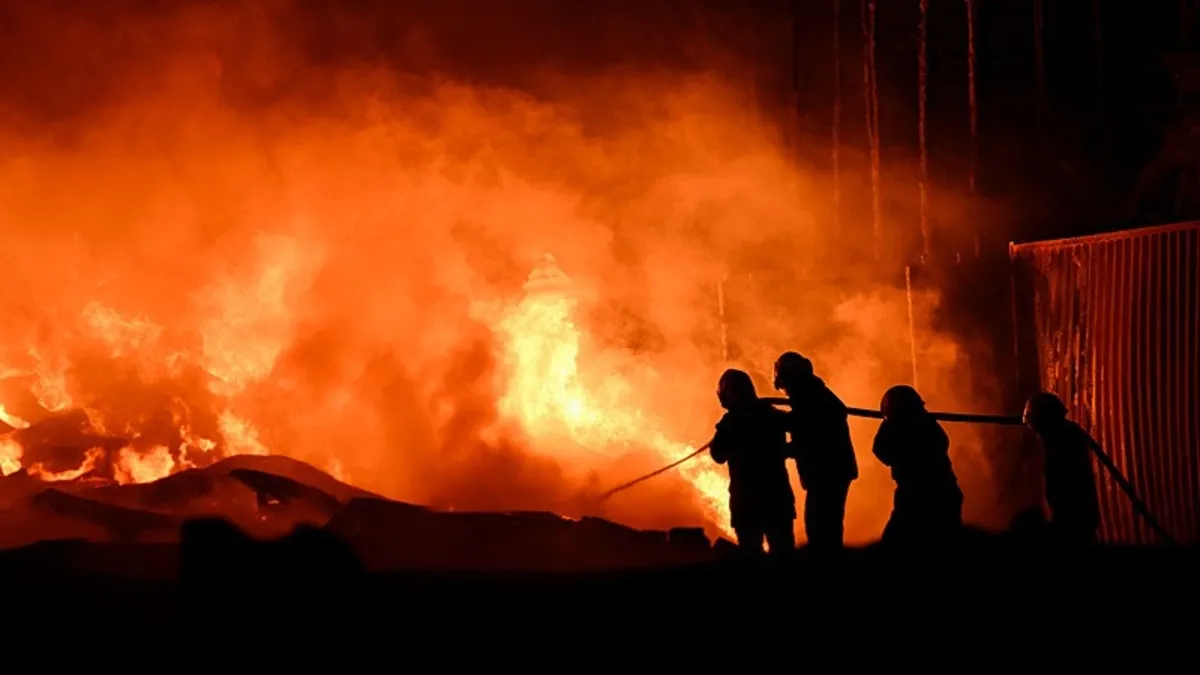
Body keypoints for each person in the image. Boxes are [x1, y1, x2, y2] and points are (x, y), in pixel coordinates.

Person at [772, 351, 858, 551]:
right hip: (831, 471)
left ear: (791, 378)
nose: (785, 391)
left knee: (821, 528)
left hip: (828, 472)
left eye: (784, 385)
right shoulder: (814, 395)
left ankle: (826, 569)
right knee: (824, 527)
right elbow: (802, 426)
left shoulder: (813, 399)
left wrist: (773, 421)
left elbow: (807, 432)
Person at [710, 368, 797, 555]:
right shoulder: (772, 415)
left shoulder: (730, 423)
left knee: (751, 559)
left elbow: (717, 455)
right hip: (777, 497)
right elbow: (802, 429)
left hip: (747, 502)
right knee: (784, 556)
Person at [872, 385, 964, 546]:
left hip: (918, 496)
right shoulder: (927, 423)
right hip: (944, 493)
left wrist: (889, 423)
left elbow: (881, 450)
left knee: (896, 544)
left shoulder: (906, 427)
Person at [1023, 392, 1101, 545]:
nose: (1039, 437)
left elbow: (1064, 499)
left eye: (1039, 429)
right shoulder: (1068, 439)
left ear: (1048, 424)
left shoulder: (1064, 449)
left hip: (1075, 534)